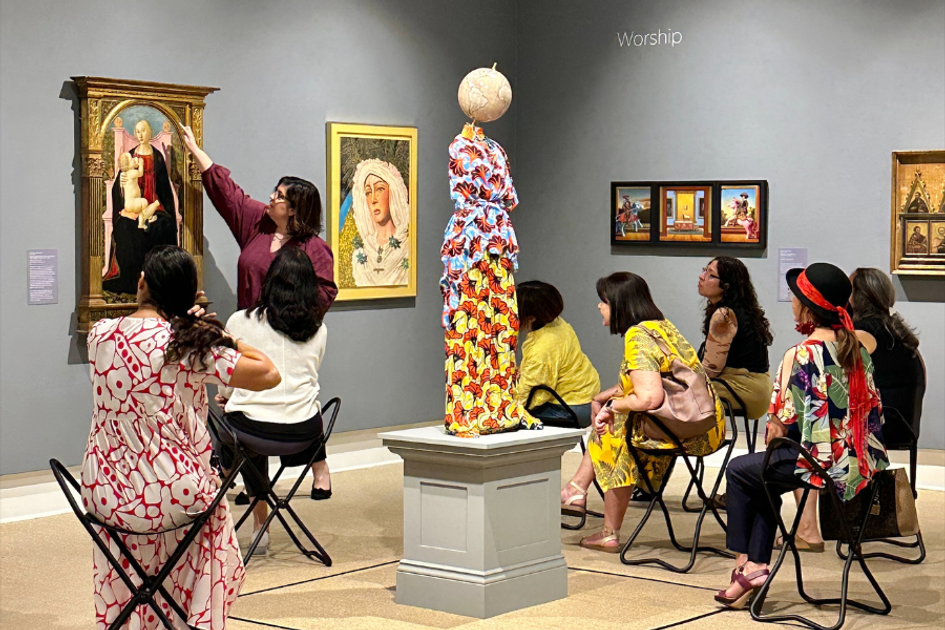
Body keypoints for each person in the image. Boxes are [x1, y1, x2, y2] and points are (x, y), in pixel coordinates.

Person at [81, 245, 281, 630]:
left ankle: (141, 617)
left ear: (141, 283)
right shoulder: (187, 346)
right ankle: (192, 618)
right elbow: (268, 373)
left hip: (103, 493)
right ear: (190, 297)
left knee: (150, 533)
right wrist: (218, 335)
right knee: (214, 516)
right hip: (167, 493)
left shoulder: (99, 335)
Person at [716, 262, 888, 609]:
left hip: (823, 466)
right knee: (761, 476)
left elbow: (778, 427)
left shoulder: (801, 354)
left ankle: (745, 564)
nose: (792, 300)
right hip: (861, 464)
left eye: (795, 295)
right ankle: (755, 568)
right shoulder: (857, 349)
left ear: (806, 305)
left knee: (741, 471)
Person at [562, 272, 726, 551]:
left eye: (603, 301)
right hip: (707, 422)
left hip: (688, 430)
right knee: (618, 422)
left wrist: (612, 407)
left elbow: (649, 397)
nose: (599, 307)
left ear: (618, 304)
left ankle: (589, 506)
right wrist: (601, 397)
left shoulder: (637, 336)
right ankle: (578, 493)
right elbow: (643, 383)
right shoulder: (659, 326)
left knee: (613, 431)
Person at [217, 248, 332, 554]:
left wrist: (226, 397)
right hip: (305, 432)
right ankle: (254, 516)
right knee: (251, 423)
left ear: (270, 283)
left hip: (251, 432)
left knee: (236, 427)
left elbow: (227, 375)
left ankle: (256, 520)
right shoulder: (318, 329)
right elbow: (309, 374)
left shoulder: (240, 321)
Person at [181, 125, 338, 312]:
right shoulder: (259, 221)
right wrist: (196, 151)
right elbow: (229, 195)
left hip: (286, 335)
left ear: (293, 210)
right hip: (246, 327)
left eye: (280, 196)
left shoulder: (314, 249)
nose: (271, 197)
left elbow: (323, 295)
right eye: (275, 190)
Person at [103, 119, 178, 295]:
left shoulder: (157, 156)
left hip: (154, 205)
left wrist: (157, 206)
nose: (140, 134)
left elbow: (164, 189)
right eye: (137, 131)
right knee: (125, 228)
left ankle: (159, 283)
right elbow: (119, 186)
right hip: (134, 207)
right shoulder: (130, 156)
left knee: (163, 227)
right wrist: (121, 184)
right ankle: (131, 280)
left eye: (143, 130)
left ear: (150, 132)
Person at [850, 267, 921, 444]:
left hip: (885, 425)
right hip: (903, 423)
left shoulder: (865, 332)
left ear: (858, 297)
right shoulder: (893, 329)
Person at [515, 280, 600, 427]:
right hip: (587, 398)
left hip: (569, 408)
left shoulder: (542, 347)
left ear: (531, 317)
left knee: (508, 419)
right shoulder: (559, 323)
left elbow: (532, 396)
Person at [698, 257, 773, 421]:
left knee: (673, 392)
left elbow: (711, 369)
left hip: (741, 390)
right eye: (705, 270)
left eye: (711, 275)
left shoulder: (724, 315)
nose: (702, 276)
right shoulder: (744, 310)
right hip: (759, 389)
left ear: (726, 286)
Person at [350, 159, 410, 286]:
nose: (373, 199)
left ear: (393, 192)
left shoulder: (408, 248)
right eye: (368, 192)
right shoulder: (359, 255)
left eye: (379, 189)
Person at [117, 152, 161, 229]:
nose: (134, 159)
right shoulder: (131, 173)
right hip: (132, 202)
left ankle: (141, 224)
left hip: (130, 202)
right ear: (127, 166)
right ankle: (149, 217)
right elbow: (140, 173)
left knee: (141, 209)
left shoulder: (126, 174)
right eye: (132, 159)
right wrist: (141, 164)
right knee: (144, 202)